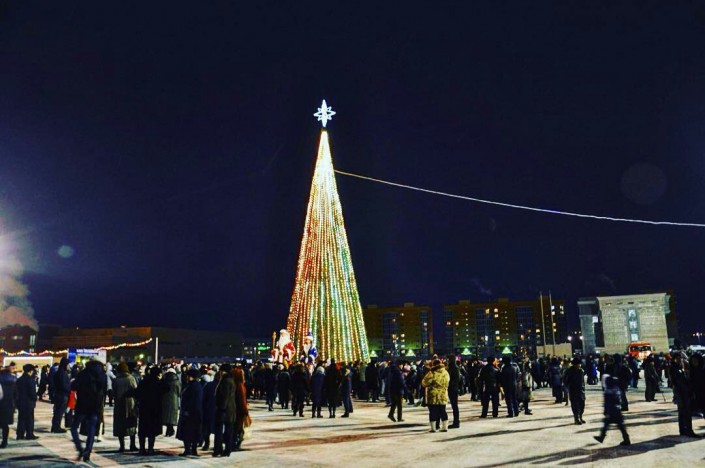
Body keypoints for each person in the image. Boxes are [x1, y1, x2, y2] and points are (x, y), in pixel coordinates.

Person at [70, 360, 106, 462]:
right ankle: (87, 452)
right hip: (95, 406)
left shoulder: (82, 374)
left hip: (82, 405)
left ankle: (80, 448)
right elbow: (104, 391)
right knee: (92, 430)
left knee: (74, 427)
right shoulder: (102, 375)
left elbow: (74, 387)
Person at [136, 366, 166, 455]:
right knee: (152, 431)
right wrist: (161, 380)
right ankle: (150, 449)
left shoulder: (143, 382)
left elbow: (137, 393)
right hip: (155, 409)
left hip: (144, 408)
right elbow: (167, 388)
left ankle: (142, 449)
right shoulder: (158, 383)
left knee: (143, 430)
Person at [594, 374, 631, 446]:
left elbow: (607, 403)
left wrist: (606, 411)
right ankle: (626, 439)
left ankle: (601, 437)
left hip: (611, 410)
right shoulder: (617, 389)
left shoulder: (608, 391)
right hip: (617, 410)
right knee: (620, 425)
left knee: (608, 424)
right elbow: (620, 400)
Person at [670, 353, 700, 438]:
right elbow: (680, 383)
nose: (680, 360)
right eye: (678, 358)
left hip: (682, 393)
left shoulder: (679, 368)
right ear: (675, 359)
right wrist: (688, 390)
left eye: (680, 358)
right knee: (686, 413)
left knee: (683, 413)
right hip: (682, 394)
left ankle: (683, 430)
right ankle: (688, 430)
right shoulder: (675, 368)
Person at [113, 362, 138, 452]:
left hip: (119, 404)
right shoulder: (131, 378)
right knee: (131, 423)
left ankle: (122, 446)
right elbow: (135, 389)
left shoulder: (116, 380)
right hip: (130, 404)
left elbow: (114, 392)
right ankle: (132, 444)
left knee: (120, 425)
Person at [177, 369, 203, 456]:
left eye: (188, 376)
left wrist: (186, 410)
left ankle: (188, 450)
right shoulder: (197, 386)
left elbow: (191, 401)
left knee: (187, 432)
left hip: (189, 413)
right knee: (194, 432)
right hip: (195, 413)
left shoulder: (192, 386)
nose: (187, 377)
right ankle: (193, 450)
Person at [213, 364, 236, 457]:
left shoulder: (225, 381)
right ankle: (227, 449)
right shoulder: (230, 380)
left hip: (224, 410)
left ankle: (219, 450)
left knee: (219, 430)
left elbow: (224, 396)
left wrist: (221, 407)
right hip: (230, 409)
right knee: (228, 430)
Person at [421, 359, 450, 432]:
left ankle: (433, 428)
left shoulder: (432, 372)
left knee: (433, 411)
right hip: (443, 394)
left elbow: (425, 382)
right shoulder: (445, 372)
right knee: (442, 410)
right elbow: (447, 382)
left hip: (433, 394)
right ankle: (445, 427)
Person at [16, 364, 38, 440]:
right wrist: (35, 398)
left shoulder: (19, 379)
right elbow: (32, 393)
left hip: (20, 402)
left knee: (21, 419)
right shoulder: (30, 380)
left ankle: (20, 434)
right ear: (31, 371)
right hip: (29, 403)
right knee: (29, 419)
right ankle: (29, 434)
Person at [563, 357, 586, 425]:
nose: (579, 365)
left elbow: (583, 382)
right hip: (573, 391)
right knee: (575, 406)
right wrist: (569, 386)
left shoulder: (581, 371)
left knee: (582, 405)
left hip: (581, 391)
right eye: (578, 364)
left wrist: (583, 388)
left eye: (579, 364)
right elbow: (565, 380)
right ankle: (576, 419)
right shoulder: (569, 371)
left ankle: (580, 417)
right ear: (574, 364)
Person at [0, 362, 18, 448]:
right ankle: (4, 441)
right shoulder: (14, 379)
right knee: (5, 425)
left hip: (1, 403)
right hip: (9, 404)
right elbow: (16, 394)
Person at [233, 367, 250, 451]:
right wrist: (245, 411)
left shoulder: (233, 384)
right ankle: (236, 444)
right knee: (239, 428)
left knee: (234, 428)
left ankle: (233, 443)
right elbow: (242, 399)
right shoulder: (240, 386)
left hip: (233, 410)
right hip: (239, 411)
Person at [51, 357, 70, 433]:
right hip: (62, 395)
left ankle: (55, 426)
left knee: (57, 411)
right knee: (59, 412)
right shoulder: (62, 373)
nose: (68, 366)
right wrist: (69, 388)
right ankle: (56, 427)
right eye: (68, 364)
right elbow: (63, 385)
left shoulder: (59, 372)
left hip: (58, 394)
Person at [200, 368, 218, 451]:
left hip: (208, 409)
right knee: (217, 429)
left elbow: (203, 397)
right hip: (218, 409)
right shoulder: (221, 385)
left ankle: (206, 444)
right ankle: (217, 445)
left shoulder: (208, 385)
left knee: (206, 429)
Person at [162, 367, 181, 437]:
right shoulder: (177, 382)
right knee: (172, 416)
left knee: (166, 416)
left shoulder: (164, 380)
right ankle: (170, 430)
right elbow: (179, 392)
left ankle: (169, 430)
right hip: (174, 400)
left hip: (164, 400)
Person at [447, 356, 461, 427]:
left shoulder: (454, 368)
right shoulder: (454, 367)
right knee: (454, 405)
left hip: (453, 388)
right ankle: (456, 421)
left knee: (454, 405)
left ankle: (456, 421)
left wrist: (450, 385)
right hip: (453, 388)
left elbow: (456, 379)